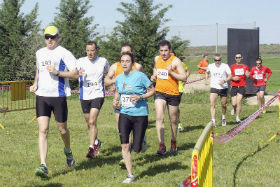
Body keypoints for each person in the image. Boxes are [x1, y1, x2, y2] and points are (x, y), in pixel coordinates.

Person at [30, 26, 78, 178]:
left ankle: (68, 151)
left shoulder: (64, 53)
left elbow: (75, 74)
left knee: (62, 130)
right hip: (42, 96)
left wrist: (57, 73)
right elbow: (39, 70)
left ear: (58, 37)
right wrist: (35, 83)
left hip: (58, 96)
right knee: (43, 130)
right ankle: (43, 165)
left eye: (52, 36)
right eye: (46, 37)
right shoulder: (39, 53)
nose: (49, 40)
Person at [113, 52, 155, 183]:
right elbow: (118, 92)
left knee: (137, 149)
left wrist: (140, 97)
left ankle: (142, 143)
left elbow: (152, 90)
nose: (125, 63)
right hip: (124, 114)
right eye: (122, 61)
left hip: (140, 115)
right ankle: (130, 175)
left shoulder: (140, 76)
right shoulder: (119, 78)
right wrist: (115, 100)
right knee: (125, 146)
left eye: (127, 61)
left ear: (132, 63)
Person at [104, 43, 145, 166]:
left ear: (132, 54)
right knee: (123, 130)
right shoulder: (115, 66)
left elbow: (144, 84)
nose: (125, 54)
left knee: (134, 131)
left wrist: (139, 95)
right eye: (122, 52)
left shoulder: (138, 66)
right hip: (119, 102)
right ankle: (126, 155)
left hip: (135, 105)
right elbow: (106, 80)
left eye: (127, 52)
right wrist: (114, 81)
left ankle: (138, 142)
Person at [150, 40, 187, 155]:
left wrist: (171, 72)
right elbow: (156, 69)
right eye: (161, 51)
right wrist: (154, 75)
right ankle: (161, 145)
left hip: (173, 94)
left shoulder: (176, 61)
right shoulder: (157, 59)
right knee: (159, 117)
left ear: (170, 50)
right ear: (159, 51)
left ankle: (173, 141)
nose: (164, 53)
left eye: (166, 50)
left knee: (173, 120)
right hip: (160, 92)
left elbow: (184, 77)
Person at [75, 41, 110, 158]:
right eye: (88, 50)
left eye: (92, 50)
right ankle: (97, 142)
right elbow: (72, 74)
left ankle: (91, 149)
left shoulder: (103, 61)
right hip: (84, 95)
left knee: (92, 121)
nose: (90, 53)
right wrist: (77, 74)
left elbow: (110, 74)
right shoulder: (80, 61)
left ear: (97, 50)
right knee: (89, 123)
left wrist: (113, 85)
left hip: (98, 94)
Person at [205, 54, 232, 127]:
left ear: (221, 59)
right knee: (212, 103)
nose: (217, 61)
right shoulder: (210, 66)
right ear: (213, 60)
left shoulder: (225, 66)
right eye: (216, 60)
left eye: (219, 60)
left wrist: (224, 80)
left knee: (223, 104)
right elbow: (207, 72)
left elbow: (230, 76)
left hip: (223, 87)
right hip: (214, 87)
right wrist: (206, 79)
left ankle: (223, 117)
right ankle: (213, 120)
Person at [170, 49, 190, 132]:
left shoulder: (179, 63)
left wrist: (185, 78)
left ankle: (178, 123)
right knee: (170, 109)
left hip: (179, 89)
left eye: (172, 54)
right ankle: (175, 122)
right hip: (168, 89)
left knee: (176, 107)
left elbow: (188, 70)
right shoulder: (164, 64)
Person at [230, 53, 250, 122]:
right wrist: (233, 78)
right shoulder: (232, 67)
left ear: (242, 58)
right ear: (235, 58)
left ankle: (238, 117)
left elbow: (248, 75)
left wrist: (248, 75)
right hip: (234, 85)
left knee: (239, 102)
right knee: (234, 103)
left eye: (239, 57)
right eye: (237, 57)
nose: (238, 58)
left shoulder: (245, 66)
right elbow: (229, 76)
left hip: (242, 85)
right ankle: (234, 108)